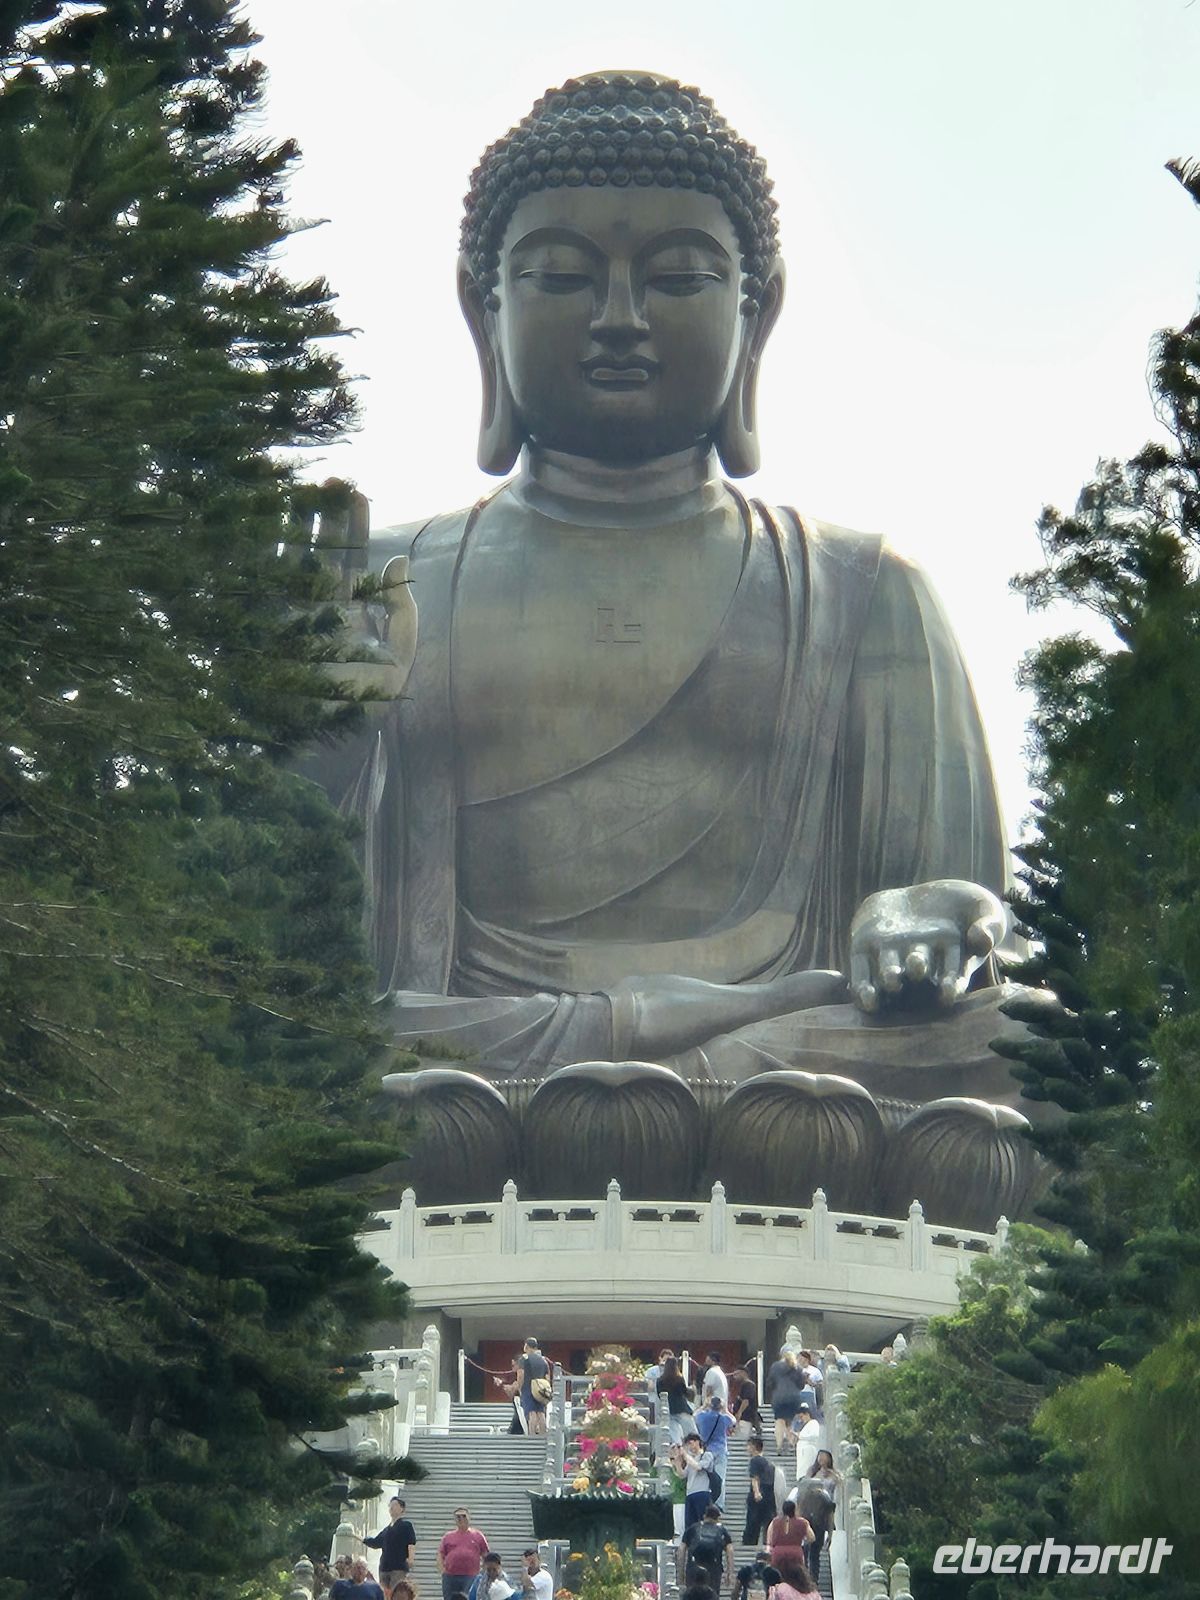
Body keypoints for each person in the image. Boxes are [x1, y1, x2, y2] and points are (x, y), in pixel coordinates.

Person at [313, 69, 1036, 1232]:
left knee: (1015, 1040)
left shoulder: (867, 593)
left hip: (790, 1054)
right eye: (559, 276)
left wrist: (928, 920)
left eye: (678, 279)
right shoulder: (383, 580)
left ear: (760, 311)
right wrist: (321, 740)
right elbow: (267, 945)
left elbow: (953, 896)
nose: (618, 318)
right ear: (478, 308)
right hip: (466, 1054)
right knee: (282, 1045)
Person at [362, 1496, 417, 1596]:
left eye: (395, 1505)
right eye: (390, 1505)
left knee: (396, 1593)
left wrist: (411, 1558)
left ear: (402, 1509)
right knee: (384, 1594)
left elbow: (411, 1543)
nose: (392, 1507)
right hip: (384, 1567)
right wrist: (361, 1538)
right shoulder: (387, 1529)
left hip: (398, 1567)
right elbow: (375, 1542)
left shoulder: (406, 1525)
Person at [679, 1505, 733, 1593]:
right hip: (713, 1569)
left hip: (693, 1567)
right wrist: (729, 1573)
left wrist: (681, 1573)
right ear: (718, 1518)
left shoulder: (693, 1528)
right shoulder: (722, 1530)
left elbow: (681, 1549)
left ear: (704, 1516)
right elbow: (730, 1550)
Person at [437, 1509, 489, 1600]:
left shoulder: (478, 1535)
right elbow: (441, 1555)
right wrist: (443, 1571)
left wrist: (484, 1573)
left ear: (469, 1517)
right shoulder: (448, 1536)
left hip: (471, 1576)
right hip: (450, 1576)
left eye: (464, 1516)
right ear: (455, 1519)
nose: (461, 1519)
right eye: (458, 1517)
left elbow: (486, 1555)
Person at [695, 1394, 735, 1509]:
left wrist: (703, 1406)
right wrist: (725, 1410)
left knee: (706, 1477)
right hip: (721, 1449)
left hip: (707, 1450)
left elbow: (694, 1415)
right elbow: (733, 1420)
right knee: (720, 1477)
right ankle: (719, 1503)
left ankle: (708, 1500)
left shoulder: (703, 1416)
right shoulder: (723, 1418)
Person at [672, 1432, 716, 1528]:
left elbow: (698, 1467)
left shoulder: (707, 1455)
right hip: (690, 1494)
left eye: (691, 1443)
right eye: (688, 1444)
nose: (690, 1447)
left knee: (703, 1520)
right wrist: (677, 1462)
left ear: (697, 1442)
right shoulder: (691, 1459)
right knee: (690, 1524)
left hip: (702, 1492)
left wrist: (685, 1455)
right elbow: (683, 1475)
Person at [764, 1350, 803, 1454]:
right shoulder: (797, 1368)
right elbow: (801, 1384)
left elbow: (769, 1383)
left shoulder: (775, 1366)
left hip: (779, 1397)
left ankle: (779, 1445)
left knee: (779, 1421)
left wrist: (773, 1390)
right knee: (790, 1421)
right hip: (794, 1398)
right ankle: (791, 1442)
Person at [743, 1434, 776, 1547]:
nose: (747, 1448)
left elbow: (755, 1478)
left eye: (748, 1446)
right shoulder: (768, 1463)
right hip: (769, 1496)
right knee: (767, 1522)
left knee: (752, 1523)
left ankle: (749, 1546)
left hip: (758, 1496)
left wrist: (756, 1493)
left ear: (754, 1447)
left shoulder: (755, 1461)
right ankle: (767, 1545)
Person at [765, 1501, 814, 1574]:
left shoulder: (774, 1522)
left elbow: (769, 1539)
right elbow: (812, 1538)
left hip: (778, 1552)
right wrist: (803, 1541)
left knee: (778, 1576)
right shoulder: (803, 1522)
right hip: (796, 1552)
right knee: (797, 1576)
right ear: (794, 1510)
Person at [658, 1355, 696, 1445]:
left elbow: (660, 1395)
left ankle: (677, 1453)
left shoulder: (660, 1381)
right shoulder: (679, 1379)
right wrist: (692, 1390)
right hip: (681, 1408)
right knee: (692, 1434)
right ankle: (694, 1450)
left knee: (674, 1437)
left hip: (669, 1410)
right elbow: (685, 1393)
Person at [517, 1338, 550, 1436]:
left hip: (528, 1387)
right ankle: (543, 1436)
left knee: (532, 1413)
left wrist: (520, 1387)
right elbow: (547, 1376)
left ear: (526, 1346)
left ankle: (532, 1437)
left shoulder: (524, 1358)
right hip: (541, 1389)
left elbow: (520, 1374)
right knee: (541, 1413)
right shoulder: (543, 1360)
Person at [790, 1402, 822, 1479]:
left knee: (806, 1471)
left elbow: (814, 1435)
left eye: (801, 1417)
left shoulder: (814, 1423)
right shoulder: (805, 1426)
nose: (801, 1419)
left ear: (807, 1414)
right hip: (802, 1453)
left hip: (808, 1451)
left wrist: (799, 1435)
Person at [729, 1367, 762, 1439]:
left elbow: (746, 1401)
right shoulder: (743, 1385)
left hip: (745, 1418)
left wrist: (739, 1413)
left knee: (742, 1438)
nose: (734, 1377)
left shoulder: (748, 1385)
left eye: (736, 1374)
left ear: (743, 1373)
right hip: (742, 1418)